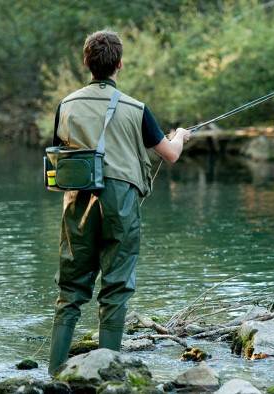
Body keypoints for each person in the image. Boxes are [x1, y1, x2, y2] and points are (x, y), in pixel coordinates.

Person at [47, 29, 190, 375]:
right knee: (116, 286)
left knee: (70, 290)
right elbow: (169, 155)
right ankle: (107, 374)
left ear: (86, 63)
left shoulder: (66, 104)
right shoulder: (136, 108)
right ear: (120, 64)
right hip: (121, 201)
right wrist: (181, 136)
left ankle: (53, 374)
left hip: (77, 201)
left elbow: (59, 154)